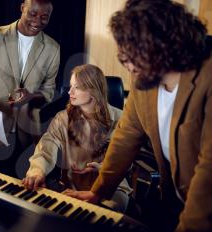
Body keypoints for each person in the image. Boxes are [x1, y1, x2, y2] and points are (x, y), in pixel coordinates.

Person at [63, 1, 212, 231]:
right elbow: (126, 135)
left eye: (133, 54)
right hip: (172, 200)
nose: (128, 66)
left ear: (165, 46)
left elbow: (208, 171)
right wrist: (98, 192)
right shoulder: (144, 77)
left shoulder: (207, 78)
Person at [22, 64, 132, 212]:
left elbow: (127, 163)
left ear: (93, 91)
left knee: (112, 210)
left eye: (77, 87)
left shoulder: (122, 119)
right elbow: (46, 149)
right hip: (73, 188)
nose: (69, 92)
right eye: (71, 86)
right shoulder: (62, 118)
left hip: (112, 189)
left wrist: (101, 169)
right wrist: (37, 171)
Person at [0, 0, 60, 164]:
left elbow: (49, 91)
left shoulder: (53, 48)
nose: (37, 21)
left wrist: (31, 96)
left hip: (29, 137)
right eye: (32, 14)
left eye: (44, 17)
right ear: (22, 8)